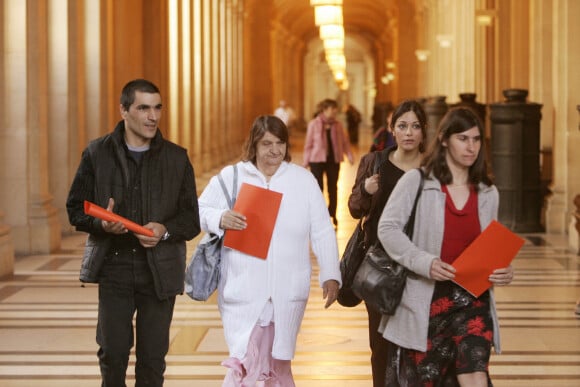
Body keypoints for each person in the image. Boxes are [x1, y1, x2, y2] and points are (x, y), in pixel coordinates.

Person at [66, 79, 201, 386]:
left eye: (157, 108)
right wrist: (102, 224)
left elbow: (191, 220)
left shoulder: (177, 158)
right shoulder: (96, 153)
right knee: (112, 356)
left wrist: (165, 230)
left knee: (153, 361)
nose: (152, 116)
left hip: (160, 272)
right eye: (143, 108)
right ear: (124, 111)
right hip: (114, 267)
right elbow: (75, 208)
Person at [198, 115, 341, 386]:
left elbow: (322, 230)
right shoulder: (232, 177)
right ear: (254, 144)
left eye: (280, 143)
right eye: (266, 143)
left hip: (287, 292)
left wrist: (330, 274)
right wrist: (220, 218)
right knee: (247, 362)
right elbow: (198, 210)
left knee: (278, 363)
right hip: (243, 290)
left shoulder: (303, 180)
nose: (274, 150)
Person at [377, 107, 515, 386]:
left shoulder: (487, 192)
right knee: (429, 378)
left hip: (474, 300)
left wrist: (504, 270)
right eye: (463, 139)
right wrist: (423, 262)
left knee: (475, 372)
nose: (471, 147)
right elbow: (387, 229)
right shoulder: (417, 181)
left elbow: (491, 246)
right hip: (428, 299)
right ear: (443, 140)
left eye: (476, 140)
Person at [347, 100, 427, 387]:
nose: (409, 133)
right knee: (380, 345)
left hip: (420, 267)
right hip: (379, 267)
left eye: (415, 126)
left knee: (416, 345)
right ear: (392, 129)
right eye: (402, 126)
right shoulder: (375, 162)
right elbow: (355, 210)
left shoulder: (432, 168)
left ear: (423, 131)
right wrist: (365, 192)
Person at [303, 98, 354, 226]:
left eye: (335, 109)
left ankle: (333, 214)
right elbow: (308, 144)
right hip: (317, 161)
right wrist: (305, 161)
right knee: (318, 189)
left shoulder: (338, 125)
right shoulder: (313, 124)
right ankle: (319, 216)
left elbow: (344, 142)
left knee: (333, 188)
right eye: (332, 109)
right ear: (324, 110)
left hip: (333, 160)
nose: (335, 111)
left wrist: (349, 155)